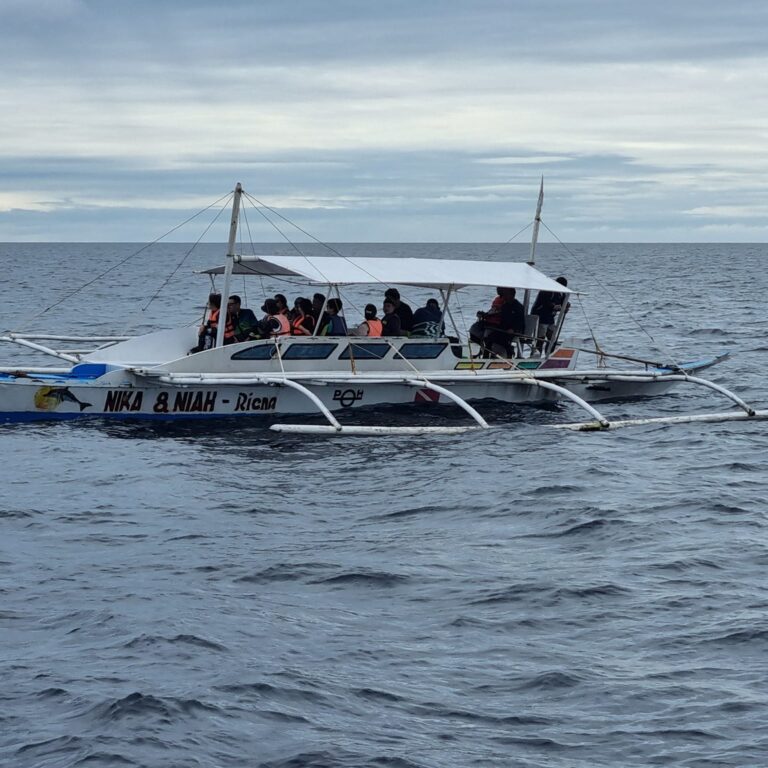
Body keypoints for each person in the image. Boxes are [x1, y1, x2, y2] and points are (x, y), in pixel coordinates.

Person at [483, 287, 525, 357]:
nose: (504, 297)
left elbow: (521, 322)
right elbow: (503, 321)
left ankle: (510, 354)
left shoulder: (519, 307)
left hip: (515, 331)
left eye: (506, 294)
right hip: (504, 330)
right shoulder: (505, 306)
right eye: (504, 294)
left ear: (512, 295)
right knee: (489, 338)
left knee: (503, 340)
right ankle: (485, 358)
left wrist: (513, 329)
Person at [531, 276, 568, 353]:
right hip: (541, 318)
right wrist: (554, 306)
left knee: (552, 338)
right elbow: (545, 302)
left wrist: (566, 306)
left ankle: (549, 354)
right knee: (541, 339)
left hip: (550, 319)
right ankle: (537, 355)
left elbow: (563, 303)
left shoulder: (562, 294)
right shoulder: (547, 290)